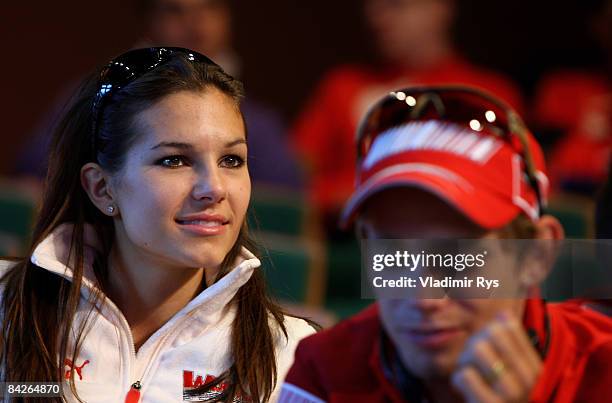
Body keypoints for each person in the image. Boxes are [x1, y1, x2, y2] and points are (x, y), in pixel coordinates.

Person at [0, 47, 315, 403]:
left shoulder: (292, 355)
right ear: (102, 187)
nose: (214, 187)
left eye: (231, 159)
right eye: (174, 160)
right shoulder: (6, 311)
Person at [280, 86, 612, 402]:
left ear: (536, 256)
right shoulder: (325, 369)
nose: (423, 297)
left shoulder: (603, 364)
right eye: (392, 254)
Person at [291, 0, 525, 233]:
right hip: (341, 242)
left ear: (440, 8)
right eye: (373, 7)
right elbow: (291, 179)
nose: (377, 19)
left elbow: (500, 194)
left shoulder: (484, 95)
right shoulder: (343, 87)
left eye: (396, 5)